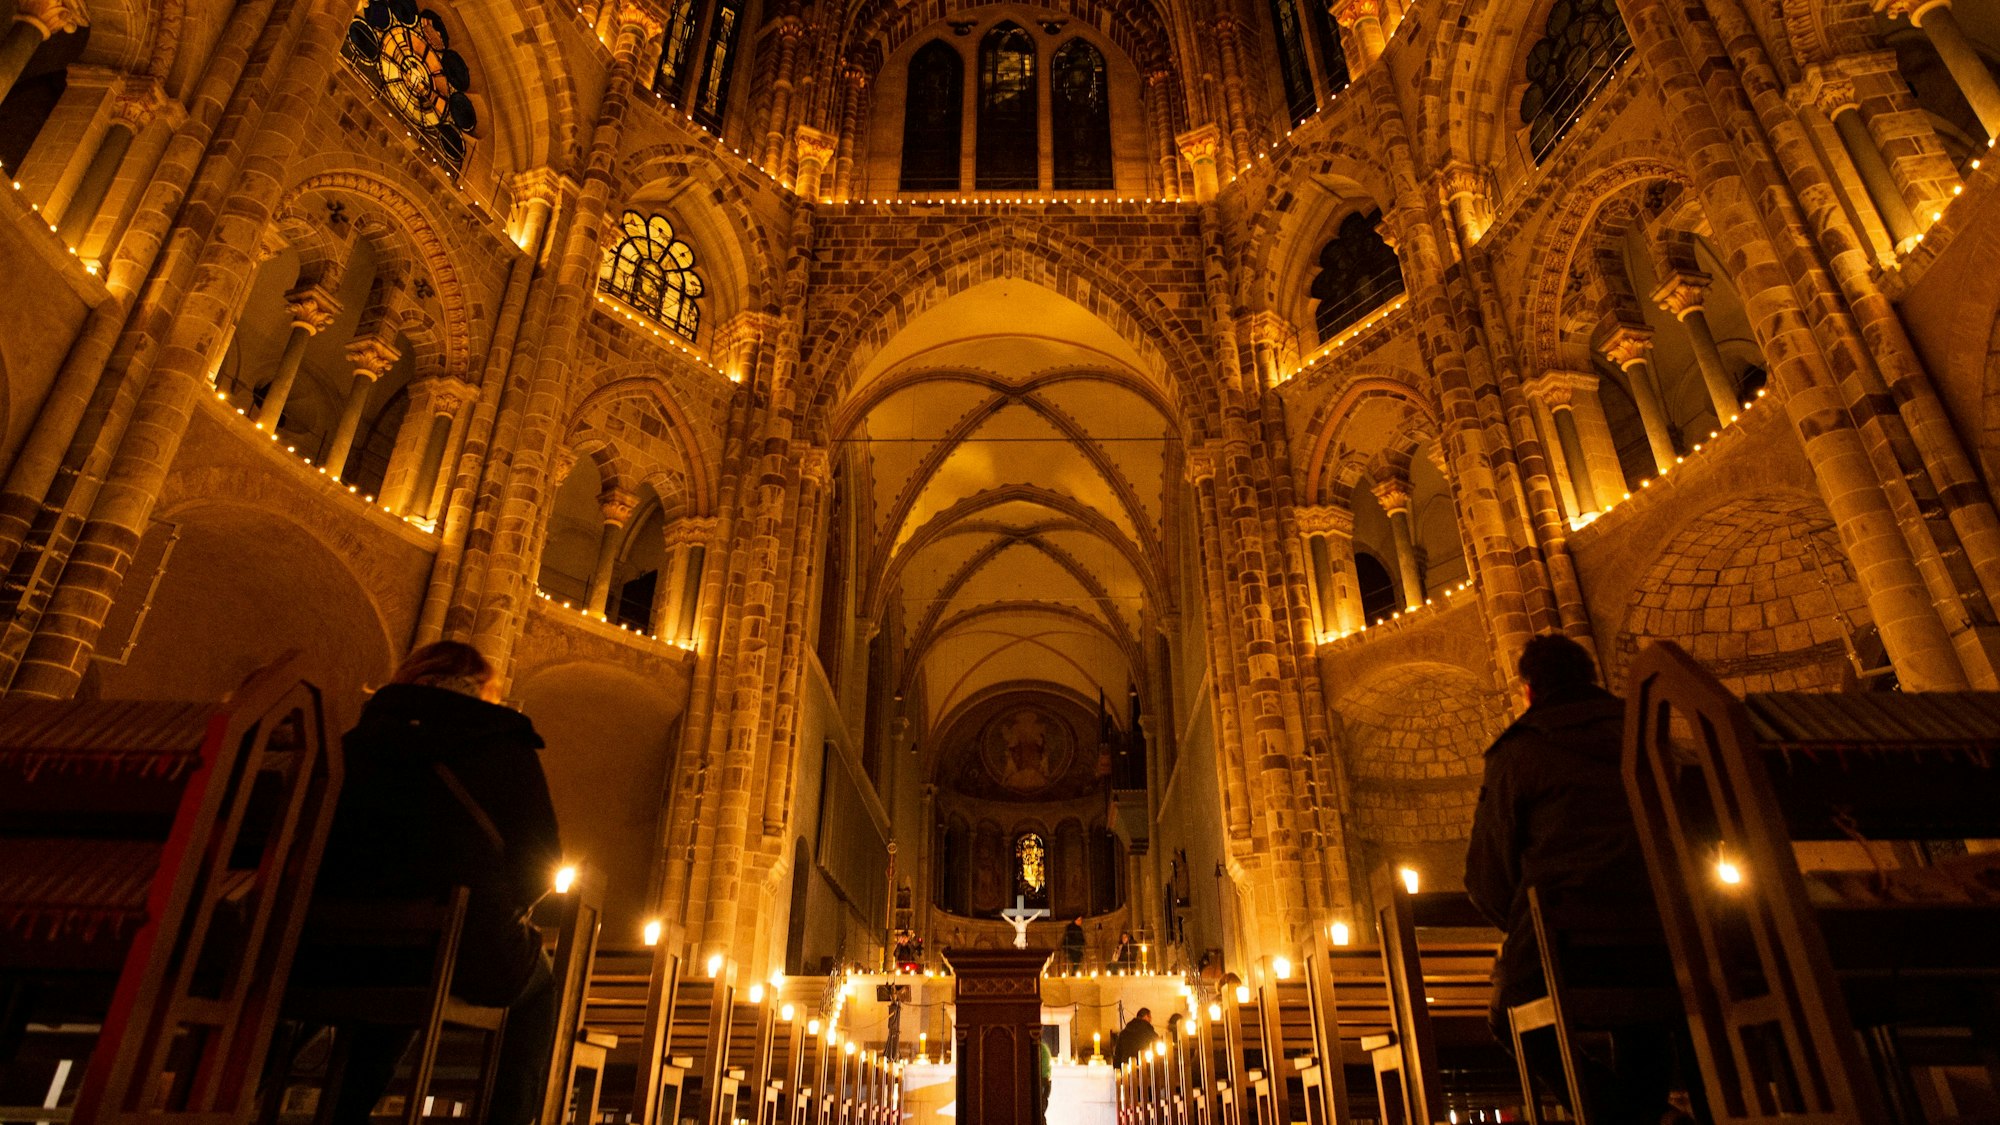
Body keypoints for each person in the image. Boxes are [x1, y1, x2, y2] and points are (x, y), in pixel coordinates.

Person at [308, 641, 563, 1125]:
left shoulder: (353, 740)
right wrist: (503, 909)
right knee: (540, 989)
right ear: (482, 689)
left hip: (332, 943)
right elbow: (540, 859)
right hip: (458, 938)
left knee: (398, 975)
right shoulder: (502, 742)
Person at [1464, 634, 1691, 1125]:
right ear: (1592, 677)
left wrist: (1528, 923)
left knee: (1512, 1015)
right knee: (1648, 1017)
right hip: (1679, 935)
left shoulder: (1518, 753)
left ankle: (1627, 1117)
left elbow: (1486, 877)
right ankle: (1647, 1115)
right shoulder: (1651, 732)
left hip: (1569, 945)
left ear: (1529, 689)